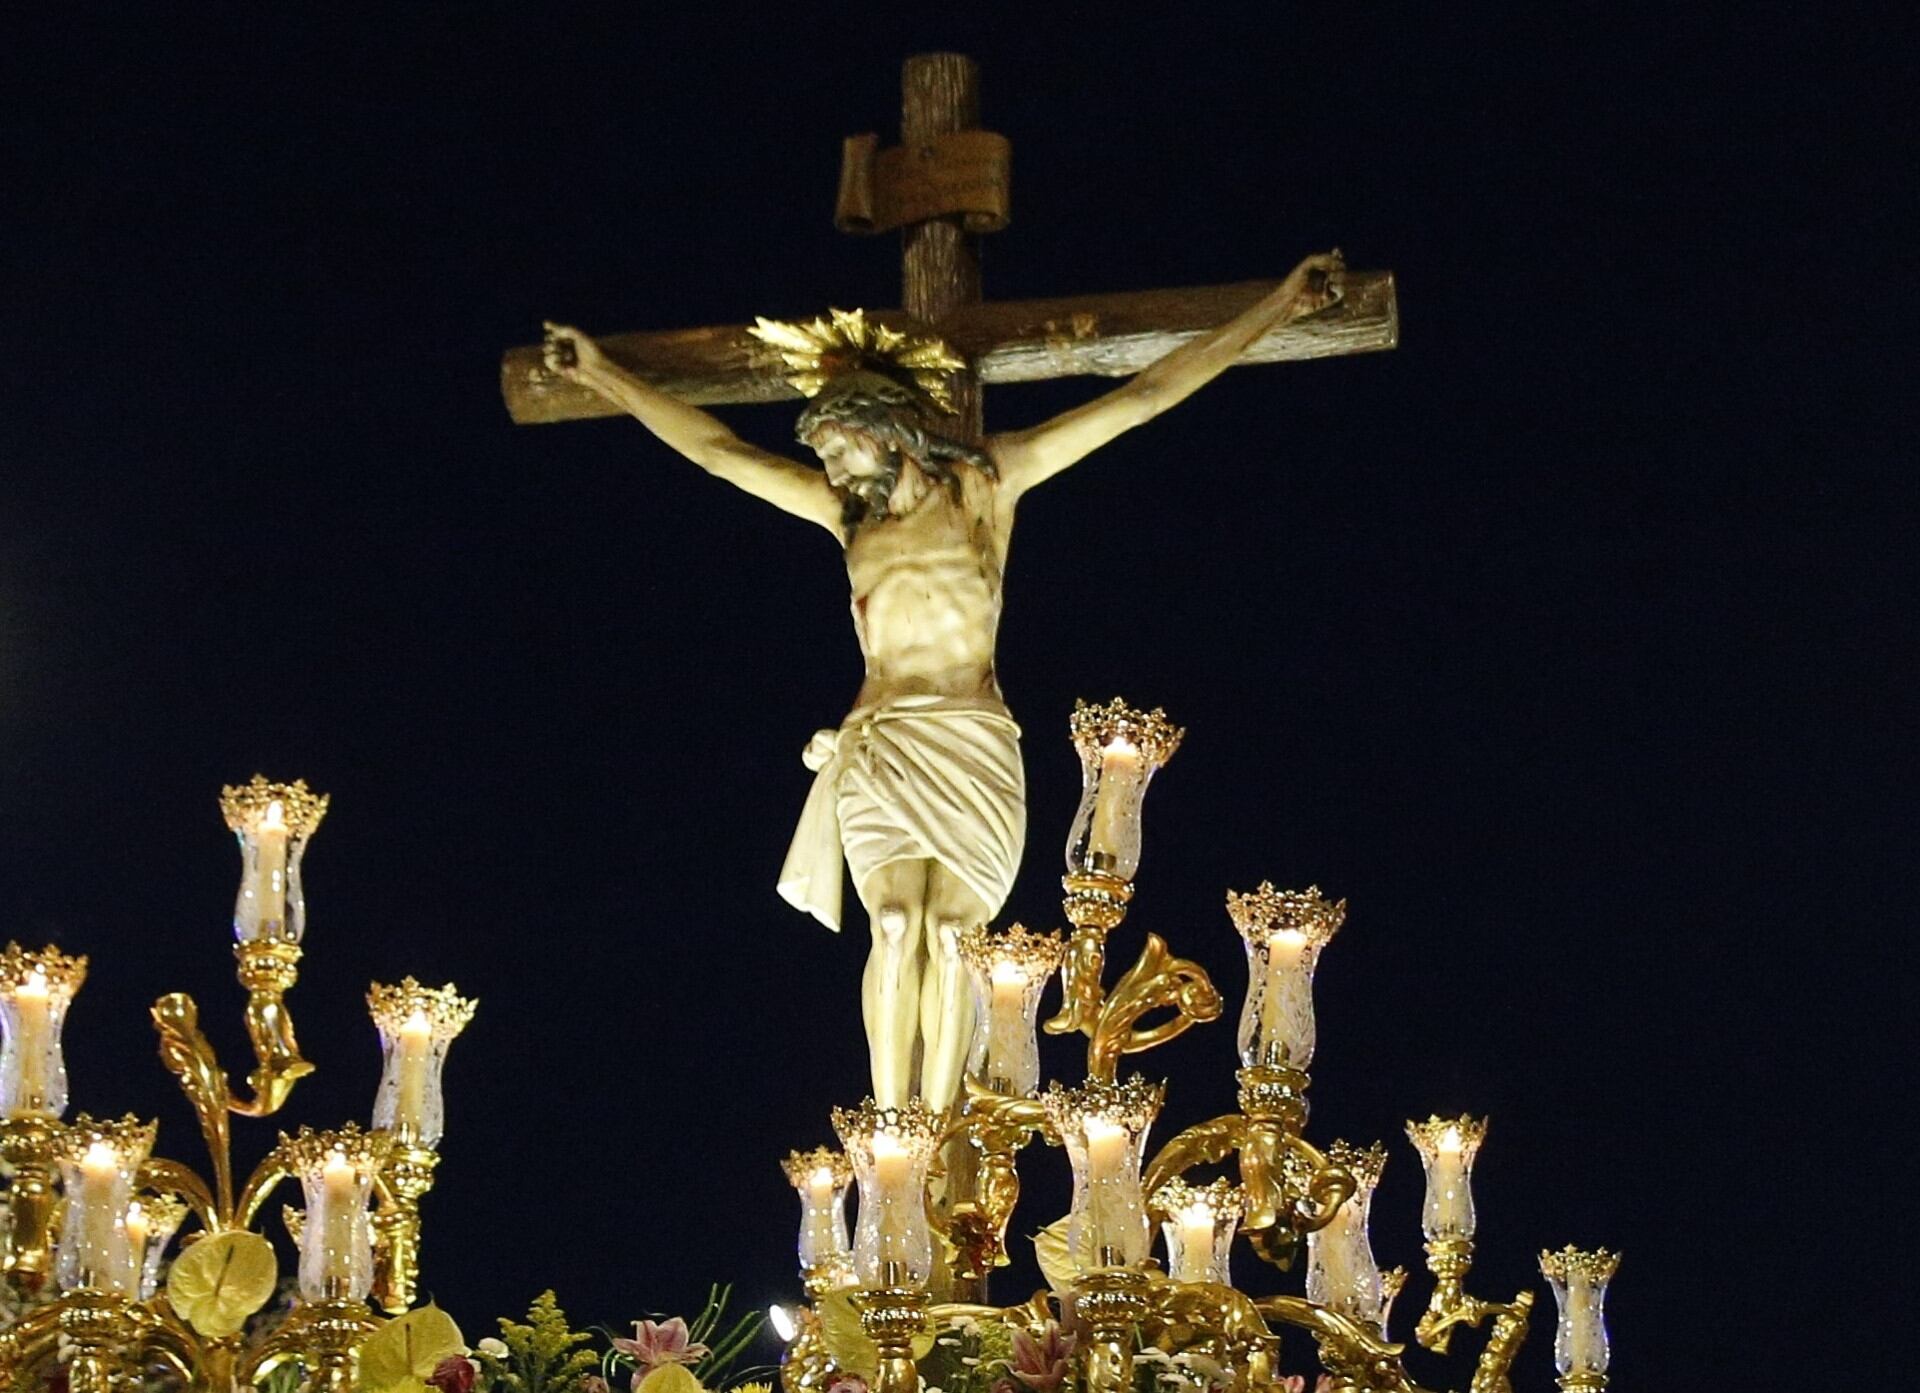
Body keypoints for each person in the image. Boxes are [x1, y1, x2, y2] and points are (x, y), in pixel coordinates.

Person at [542, 250, 1342, 1109]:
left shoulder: (987, 488)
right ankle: (894, 1130)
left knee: (955, 931)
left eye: (843, 453)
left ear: (887, 428)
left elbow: (1141, 398)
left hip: (969, 740)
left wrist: (1278, 307)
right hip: (883, 742)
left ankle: (943, 1123)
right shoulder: (845, 521)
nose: (837, 475)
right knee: (891, 926)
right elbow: (715, 451)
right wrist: (605, 376)